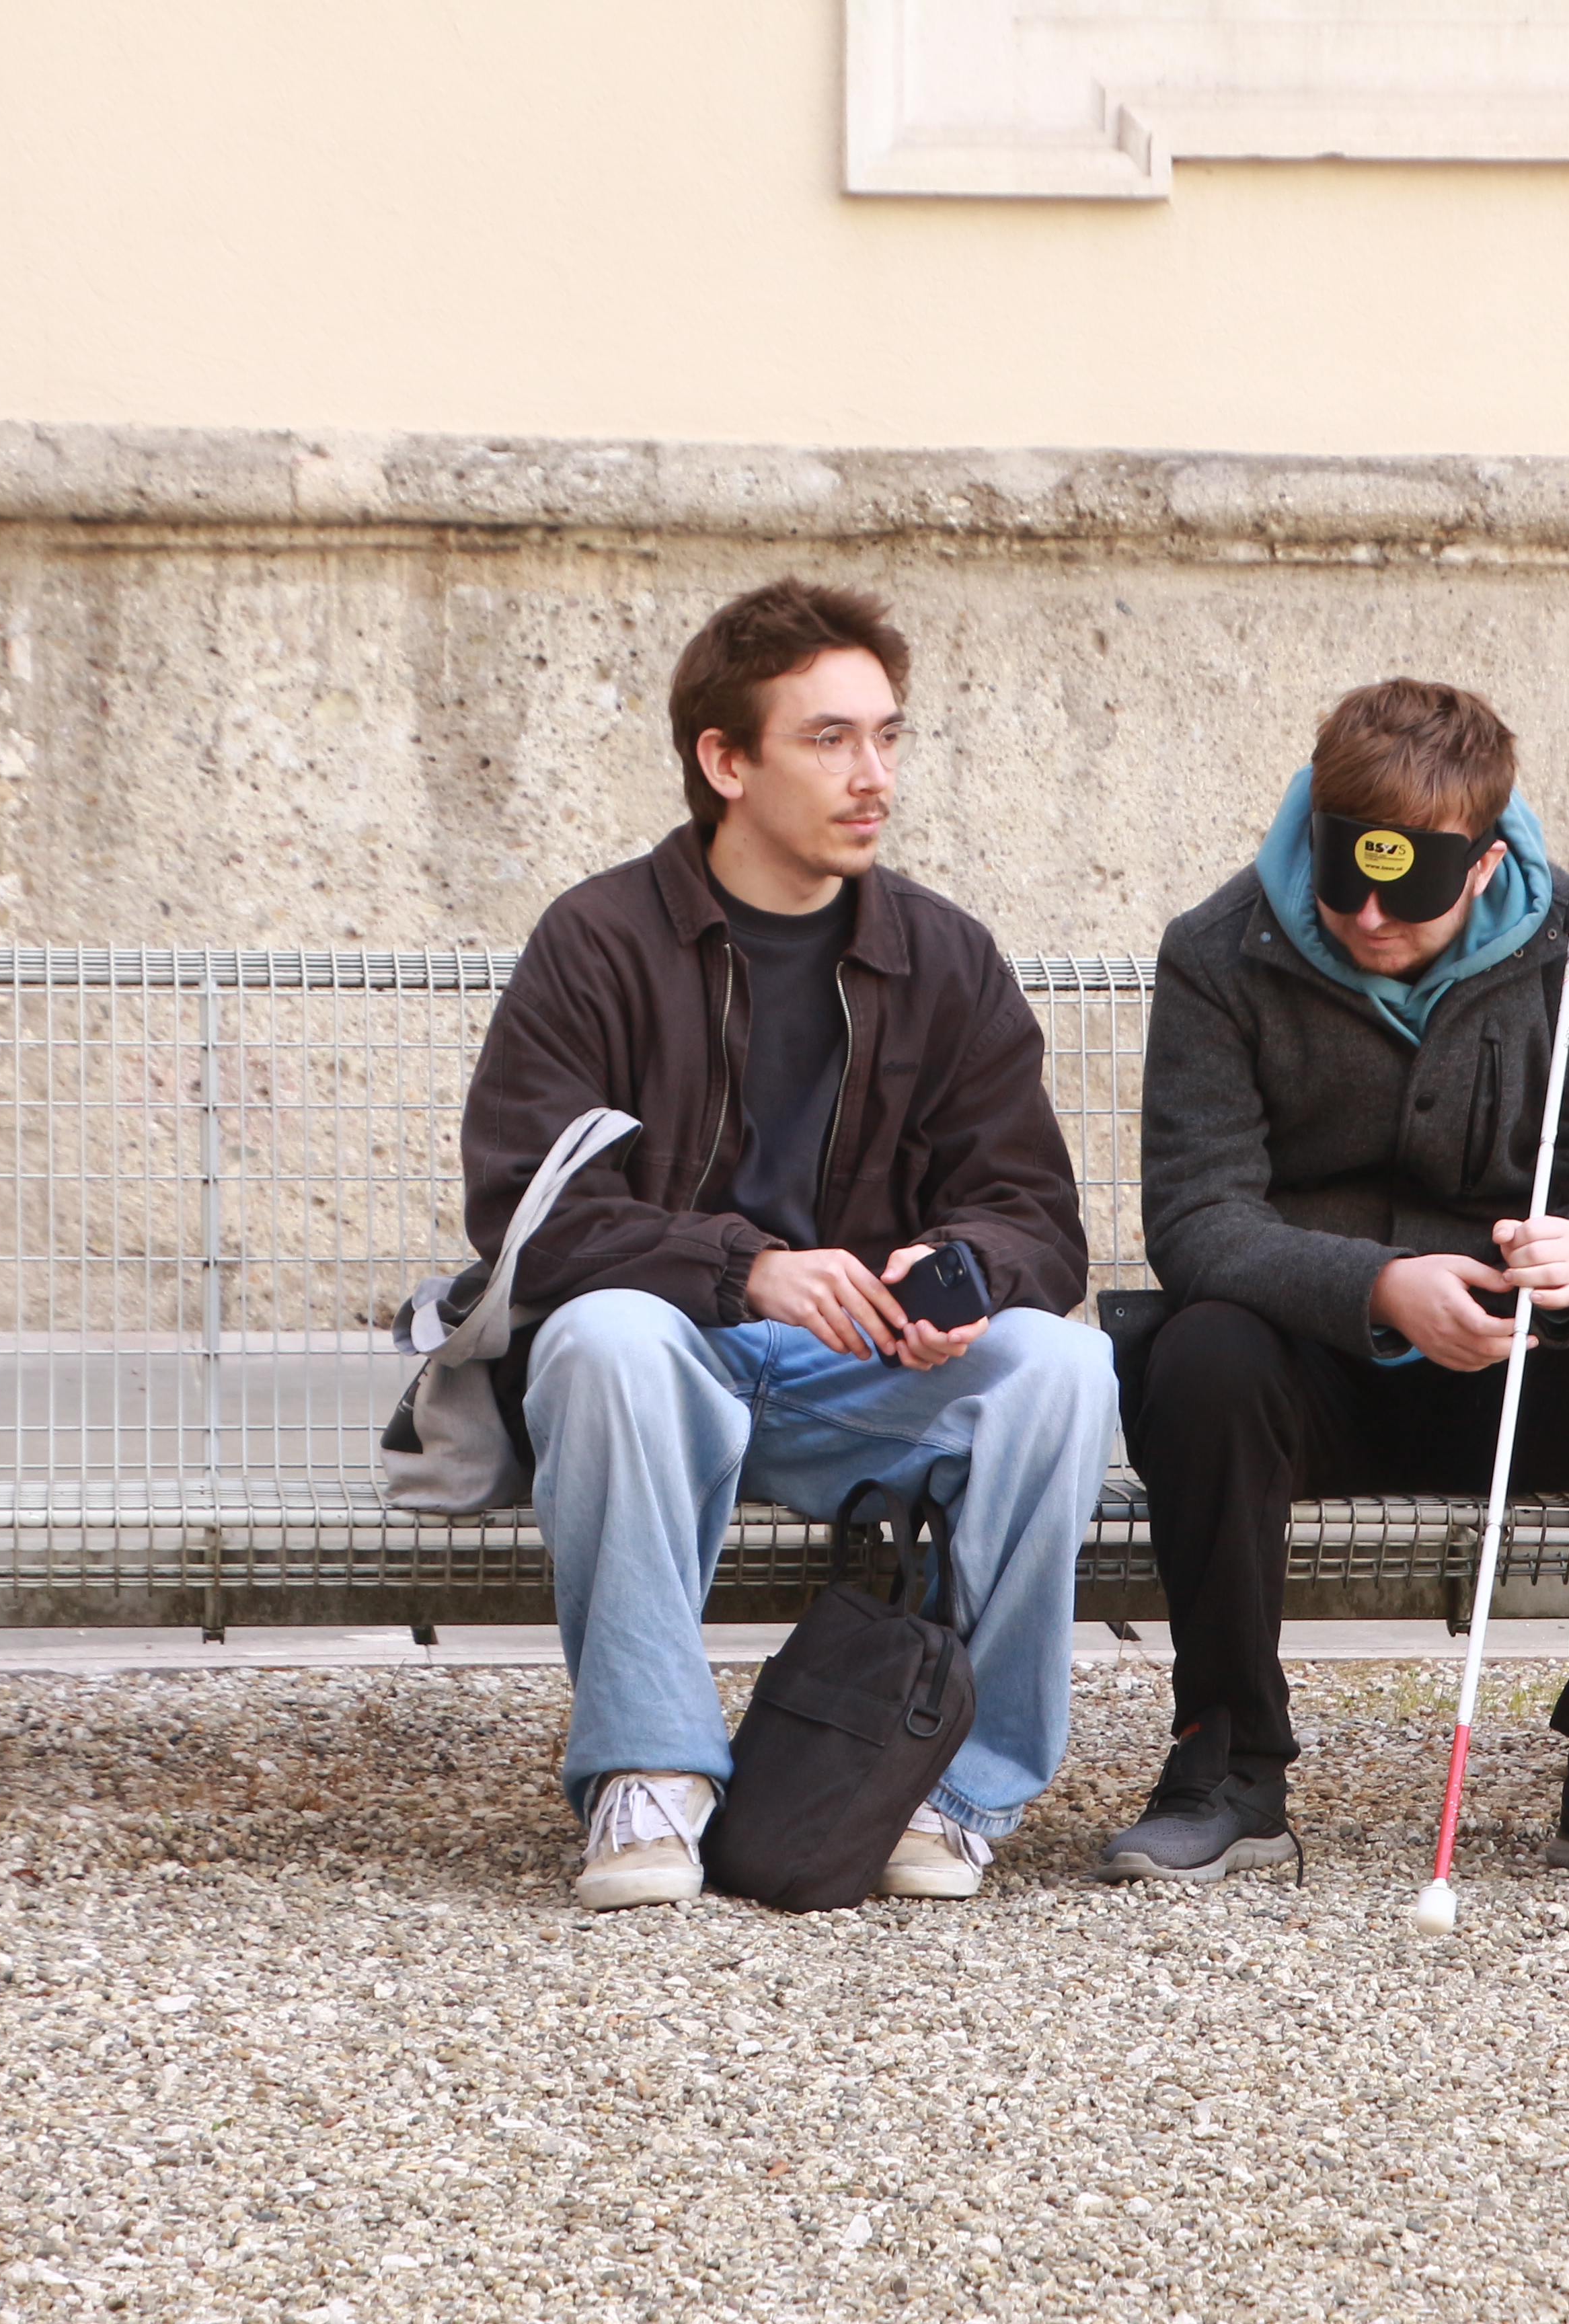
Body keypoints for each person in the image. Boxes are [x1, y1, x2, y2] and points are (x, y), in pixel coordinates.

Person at [460, 580, 1108, 1911]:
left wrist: (960, 1284)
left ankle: (961, 1788)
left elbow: (1034, 1212)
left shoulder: (943, 957)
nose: (873, 776)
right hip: (670, 1368)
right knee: (605, 1334)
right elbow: (529, 1205)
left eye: (887, 737)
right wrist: (745, 1269)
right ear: (727, 760)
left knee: (1062, 1368)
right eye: (829, 740)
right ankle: (651, 1781)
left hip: (863, 1376)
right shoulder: (600, 943)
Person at [1103, 679, 1569, 1888]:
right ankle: (1227, 1759)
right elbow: (1196, 1222)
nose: (1365, 922)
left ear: (1485, 863)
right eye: (1341, 886)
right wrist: (1381, 1285)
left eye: (1407, 902)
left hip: (1517, 1376)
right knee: (1198, 1358)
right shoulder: (1216, 950)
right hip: (1312, 1372)